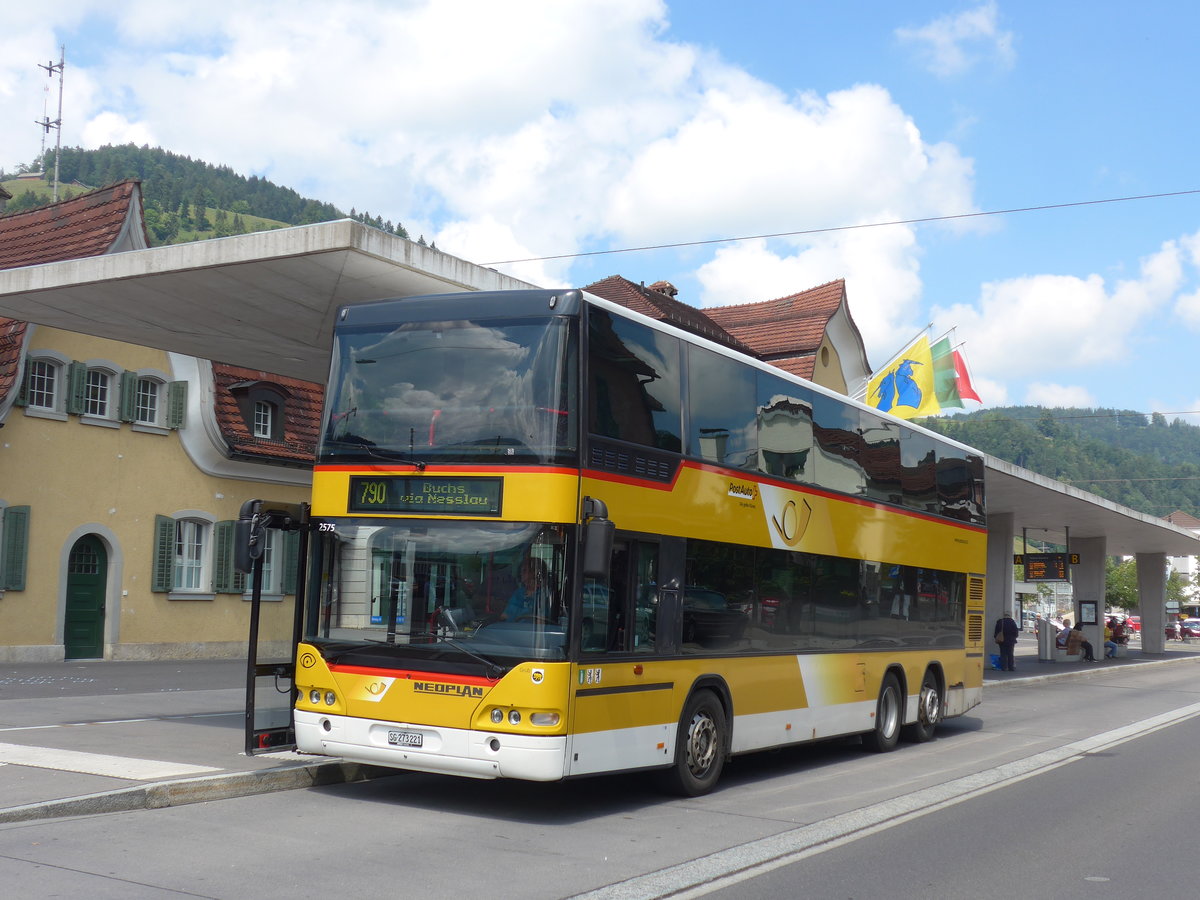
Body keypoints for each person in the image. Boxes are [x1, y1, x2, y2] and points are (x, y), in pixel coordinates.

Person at [501, 557, 554, 621]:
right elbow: (504, 616)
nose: (521, 574)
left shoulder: (546, 594)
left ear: (535, 573)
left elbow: (542, 619)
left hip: (533, 630)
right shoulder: (519, 593)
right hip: (513, 629)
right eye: (521, 571)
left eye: (524, 571)